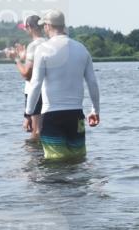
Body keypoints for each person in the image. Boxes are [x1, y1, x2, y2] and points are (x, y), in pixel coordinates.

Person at [25, 10, 100, 160]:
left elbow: (36, 84)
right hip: (76, 115)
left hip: (52, 115)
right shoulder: (81, 49)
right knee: (77, 160)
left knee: (55, 162)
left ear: (47, 26)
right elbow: (92, 82)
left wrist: (28, 113)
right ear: (63, 25)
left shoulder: (43, 50)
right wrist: (95, 110)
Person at [12, 14, 45, 140]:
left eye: (25, 28)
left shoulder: (34, 45)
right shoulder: (47, 43)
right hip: (43, 91)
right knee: (38, 129)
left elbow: (27, 74)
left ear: (30, 27)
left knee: (36, 131)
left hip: (35, 91)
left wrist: (15, 59)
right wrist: (24, 57)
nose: (25, 30)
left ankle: (35, 158)